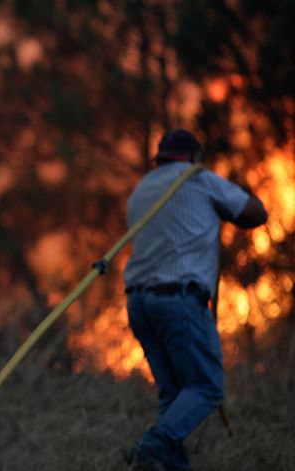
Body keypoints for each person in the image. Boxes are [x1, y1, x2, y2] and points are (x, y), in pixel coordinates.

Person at [123, 129, 267, 470]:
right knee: (207, 385)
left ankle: (163, 461)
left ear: (160, 159)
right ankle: (155, 445)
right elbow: (256, 214)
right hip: (179, 300)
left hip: (139, 303)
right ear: (194, 158)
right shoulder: (198, 179)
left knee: (173, 393)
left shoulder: (142, 189)